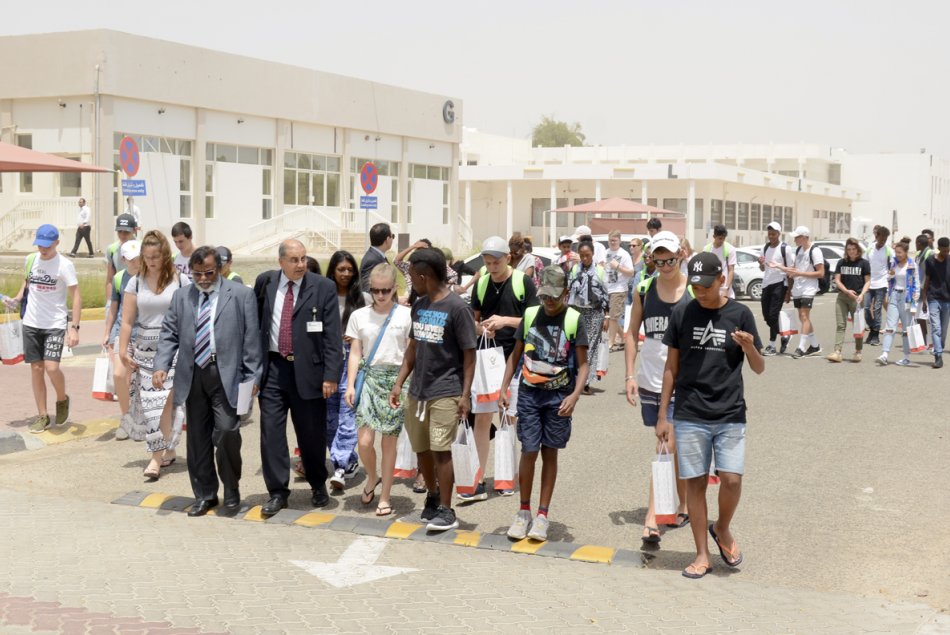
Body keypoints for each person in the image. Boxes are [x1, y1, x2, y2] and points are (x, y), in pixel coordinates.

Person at [656, 252, 765, 579]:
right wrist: (664, 415)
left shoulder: (741, 314)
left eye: (706, 286)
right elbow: (671, 368)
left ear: (722, 280)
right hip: (690, 412)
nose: (700, 292)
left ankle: (724, 528)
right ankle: (702, 553)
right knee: (696, 485)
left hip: (730, 412)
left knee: (731, 480)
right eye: (695, 286)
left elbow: (759, 367)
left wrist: (749, 348)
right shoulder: (682, 313)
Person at [153, 246, 262, 516]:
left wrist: (252, 376)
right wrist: (161, 365)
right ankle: (205, 494)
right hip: (193, 375)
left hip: (227, 375)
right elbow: (169, 333)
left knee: (227, 432)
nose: (202, 279)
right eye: (197, 273)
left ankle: (232, 488)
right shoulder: (181, 297)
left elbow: (251, 339)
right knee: (198, 440)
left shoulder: (241, 295)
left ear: (220, 268)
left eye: (208, 273)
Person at [389, 248, 476, 532]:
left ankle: (448, 511)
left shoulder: (457, 308)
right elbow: (412, 348)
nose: (410, 281)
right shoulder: (420, 305)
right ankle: (433, 496)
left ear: (424, 276)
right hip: (418, 392)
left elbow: (469, 355)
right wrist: (400, 381)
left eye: (412, 276)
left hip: (446, 391)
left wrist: (465, 395)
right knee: (422, 450)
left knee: (441, 452)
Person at [254, 239, 342, 516]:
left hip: (309, 372)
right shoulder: (265, 283)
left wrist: (330, 375)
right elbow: (256, 326)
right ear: (281, 262)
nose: (301, 264)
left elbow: (332, 337)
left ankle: (317, 483)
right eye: (294, 260)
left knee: (311, 434)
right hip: (274, 370)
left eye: (303, 258)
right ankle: (278, 492)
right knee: (271, 434)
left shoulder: (323, 287)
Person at [500, 266, 588, 542]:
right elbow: (515, 356)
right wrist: (504, 387)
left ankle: (542, 515)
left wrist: (574, 395)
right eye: (544, 296)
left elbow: (584, 365)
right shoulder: (529, 316)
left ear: (565, 292)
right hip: (528, 394)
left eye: (554, 296)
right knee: (528, 449)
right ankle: (523, 512)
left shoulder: (574, 319)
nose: (548, 301)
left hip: (558, 397)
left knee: (550, 452)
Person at [623, 231, 691, 545]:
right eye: (659, 259)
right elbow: (630, 333)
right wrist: (629, 376)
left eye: (671, 259)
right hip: (650, 378)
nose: (665, 265)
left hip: (684, 381)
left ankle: (653, 517)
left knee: (667, 441)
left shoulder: (693, 290)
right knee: (667, 444)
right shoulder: (644, 289)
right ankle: (683, 503)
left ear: (681, 255)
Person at [467, 236, 538, 502]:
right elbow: (472, 321)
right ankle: (477, 477)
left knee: (509, 416)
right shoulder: (483, 282)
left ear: (508, 257)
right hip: (487, 356)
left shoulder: (522, 282)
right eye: (487, 262)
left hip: (517, 357)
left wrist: (505, 321)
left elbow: (534, 320)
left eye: (496, 262)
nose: (492, 267)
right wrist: (482, 328)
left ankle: (507, 476)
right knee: (483, 417)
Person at [119, 230, 189, 479]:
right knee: (152, 406)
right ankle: (167, 448)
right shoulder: (135, 281)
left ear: (165, 255)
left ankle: (156, 458)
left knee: (163, 403)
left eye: (155, 256)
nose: (151, 261)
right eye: (147, 257)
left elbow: (190, 314)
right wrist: (122, 350)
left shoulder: (180, 281)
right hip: (144, 349)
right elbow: (127, 321)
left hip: (172, 347)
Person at [344, 264, 412, 517]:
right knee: (364, 441)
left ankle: (385, 496)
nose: (380, 296)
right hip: (369, 379)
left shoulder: (406, 316)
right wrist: (350, 384)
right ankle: (372, 477)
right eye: (375, 290)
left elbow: (409, 354)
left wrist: (403, 384)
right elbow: (355, 353)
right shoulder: (359, 316)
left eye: (385, 290)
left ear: (395, 288)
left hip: (396, 381)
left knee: (389, 442)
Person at [3, 225, 80, 432]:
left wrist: (74, 328)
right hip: (31, 323)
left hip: (54, 324)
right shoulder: (31, 260)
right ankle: (42, 415)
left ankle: (62, 399)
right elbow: (26, 284)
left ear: (56, 243)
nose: (43, 249)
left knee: (52, 367)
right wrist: (17, 299)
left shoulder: (65, 265)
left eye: (47, 245)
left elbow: (76, 296)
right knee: (36, 369)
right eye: (39, 245)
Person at [324, 251, 364, 490]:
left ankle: (338, 466)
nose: (346, 274)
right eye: (341, 269)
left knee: (348, 416)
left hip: (353, 363)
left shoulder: (362, 298)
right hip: (328, 363)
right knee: (329, 419)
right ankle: (349, 460)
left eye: (350, 269)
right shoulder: (322, 295)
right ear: (332, 271)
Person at [104, 240, 142, 439]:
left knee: (139, 380)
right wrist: (108, 333)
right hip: (124, 333)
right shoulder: (120, 278)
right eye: (132, 260)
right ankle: (126, 417)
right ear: (124, 260)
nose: (137, 263)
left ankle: (141, 418)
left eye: (139, 259)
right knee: (119, 374)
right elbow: (114, 308)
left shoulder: (151, 277)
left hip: (145, 334)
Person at [567, 241, 608, 395]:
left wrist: (607, 317)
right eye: (582, 255)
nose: (584, 258)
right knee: (577, 345)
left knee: (590, 346)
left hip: (594, 313)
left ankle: (585, 382)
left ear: (593, 254)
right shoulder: (574, 270)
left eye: (587, 255)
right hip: (576, 311)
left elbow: (606, 294)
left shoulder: (600, 271)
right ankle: (575, 378)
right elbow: (568, 291)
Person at [783, 226, 824, 358]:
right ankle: (815, 345)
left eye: (797, 237)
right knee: (802, 317)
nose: (794, 239)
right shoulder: (799, 250)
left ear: (804, 237)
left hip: (809, 287)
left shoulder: (815, 251)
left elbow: (821, 273)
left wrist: (800, 273)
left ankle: (801, 347)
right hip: (798, 287)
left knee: (804, 316)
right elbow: (795, 268)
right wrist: (791, 272)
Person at [827, 238, 870, 363]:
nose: (851, 252)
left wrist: (862, 294)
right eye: (849, 249)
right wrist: (846, 291)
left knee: (858, 326)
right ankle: (837, 351)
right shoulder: (841, 262)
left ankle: (858, 351)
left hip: (857, 298)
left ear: (858, 249)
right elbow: (837, 280)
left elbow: (868, 281)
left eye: (854, 249)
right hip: (842, 297)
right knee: (841, 325)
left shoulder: (864, 263)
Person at [876, 242, 919, 367]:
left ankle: (906, 357)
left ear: (905, 252)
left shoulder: (912, 265)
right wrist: (890, 275)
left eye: (900, 252)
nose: (898, 255)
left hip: (907, 298)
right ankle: (884, 354)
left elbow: (916, 285)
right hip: (894, 295)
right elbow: (888, 279)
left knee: (906, 329)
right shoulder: (894, 263)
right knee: (890, 326)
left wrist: (914, 304)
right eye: (896, 252)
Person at [757, 222, 794, 356]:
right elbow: (763, 268)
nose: (771, 236)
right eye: (769, 234)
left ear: (779, 233)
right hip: (767, 283)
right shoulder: (765, 248)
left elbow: (790, 270)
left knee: (773, 314)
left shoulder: (786, 248)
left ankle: (772, 345)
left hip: (780, 283)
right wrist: (760, 263)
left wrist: (789, 291)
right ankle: (784, 335)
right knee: (767, 316)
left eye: (774, 234)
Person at [922, 237, 950, 369]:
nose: (946, 253)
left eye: (948, 250)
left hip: (947, 300)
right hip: (933, 297)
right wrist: (924, 299)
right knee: (936, 328)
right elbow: (927, 279)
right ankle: (938, 356)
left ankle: (939, 347)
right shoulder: (930, 261)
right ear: (939, 248)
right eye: (944, 250)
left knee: (943, 330)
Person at [604, 230, 634, 350]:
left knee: (613, 317)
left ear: (619, 241)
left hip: (619, 288)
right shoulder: (606, 252)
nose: (612, 242)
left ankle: (610, 343)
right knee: (612, 318)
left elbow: (631, 272)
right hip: (607, 288)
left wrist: (618, 267)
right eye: (611, 240)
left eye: (615, 240)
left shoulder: (624, 254)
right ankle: (623, 337)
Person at [864, 226, 894, 346]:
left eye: (885, 239)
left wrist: (891, 275)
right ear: (876, 236)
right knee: (866, 308)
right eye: (881, 239)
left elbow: (892, 267)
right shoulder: (869, 249)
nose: (883, 242)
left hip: (882, 283)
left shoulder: (889, 250)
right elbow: (864, 264)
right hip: (869, 283)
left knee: (877, 309)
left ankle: (875, 334)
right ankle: (872, 329)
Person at [105, 214, 138, 304]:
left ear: (134, 230)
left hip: (138, 294)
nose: (122, 235)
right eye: (120, 232)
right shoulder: (112, 249)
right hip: (120, 295)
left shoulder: (142, 248)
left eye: (126, 232)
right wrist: (109, 303)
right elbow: (110, 280)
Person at [704, 225, 737, 299]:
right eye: (720, 238)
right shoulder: (707, 249)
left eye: (724, 238)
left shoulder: (730, 249)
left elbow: (731, 270)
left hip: (725, 290)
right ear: (714, 236)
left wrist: (726, 289)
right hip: (711, 289)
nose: (722, 240)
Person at [359, 222, 393, 292]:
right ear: (387, 239)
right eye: (392, 236)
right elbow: (367, 289)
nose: (392, 239)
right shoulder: (372, 260)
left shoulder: (377, 256)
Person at [914, 234, 933, 349]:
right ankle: (923, 341)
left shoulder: (929, 254)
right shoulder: (919, 254)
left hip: (927, 290)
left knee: (929, 318)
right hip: (919, 289)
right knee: (919, 317)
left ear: (919, 243)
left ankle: (931, 343)